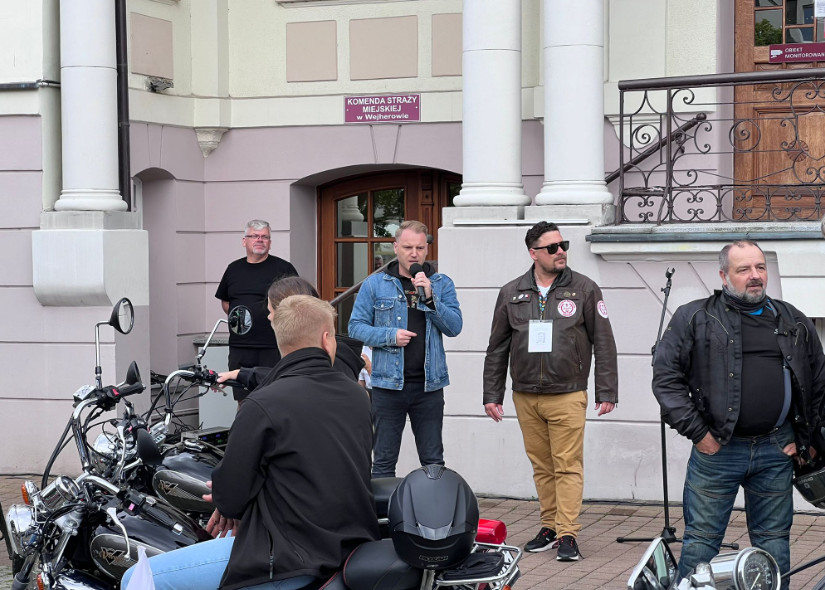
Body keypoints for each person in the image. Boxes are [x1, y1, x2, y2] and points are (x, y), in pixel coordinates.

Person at [121, 295, 379, 590]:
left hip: (287, 557)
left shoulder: (263, 404)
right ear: (326, 339)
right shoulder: (357, 396)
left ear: (280, 341)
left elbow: (231, 496)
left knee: (135, 578)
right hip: (349, 544)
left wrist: (228, 500)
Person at [652, 240, 825, 586]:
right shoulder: (695, 317)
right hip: (718, 451)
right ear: (724, 276)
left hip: (776, 450)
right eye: (744, 269)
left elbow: (818, 382)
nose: (755, 275)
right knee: (701, 542)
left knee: (774, 541)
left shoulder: (792, 318)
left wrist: (806, 440)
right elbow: (666, 380)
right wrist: (699, 434)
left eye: (760, 267)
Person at [482, 221, 618, 562]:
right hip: (526, 395)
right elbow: (497, 347)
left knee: (567, 465)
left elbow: (604, 342)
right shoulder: (511, 292)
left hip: (568, 393)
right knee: (542, 467)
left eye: (563, 245)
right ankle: (550, 527)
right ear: (533, 253)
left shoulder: (585, 289)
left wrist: (606, 390)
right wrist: (492, 394)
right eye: (553, 247)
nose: (561, 252)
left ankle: (568, 533)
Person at [349, 220, 462, 478]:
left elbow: (454, 327)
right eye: (408, 247)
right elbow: (355, 328)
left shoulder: (441, 283)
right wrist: (390, 336)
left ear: (426, 250)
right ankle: (384, 506)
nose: (414, 253)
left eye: (420, 248)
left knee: (433, 460)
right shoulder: (375, 284)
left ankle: (433, 505)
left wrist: (430, 298)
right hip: (387, 386)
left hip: (429, 386)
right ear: (395, 247)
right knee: (383, 461)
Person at [219, 276, 366, 390]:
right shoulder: (320, 355)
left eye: (271, 311)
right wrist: (241, 374)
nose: (269, 317)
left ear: (288, 312)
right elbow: (290, 376)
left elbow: (295, 382)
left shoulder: (333, 361)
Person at [215, 219, 297, 401]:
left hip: (273, 347)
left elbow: (296, 303)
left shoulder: (284, 269)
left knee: (273, 398)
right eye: (255, 236)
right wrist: (242, 321)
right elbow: (226, 302)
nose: (260, 240)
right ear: (244, 241)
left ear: (270, 242)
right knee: (244, 400)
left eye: (264, 237)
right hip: (240, 347)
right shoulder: (233, 269)